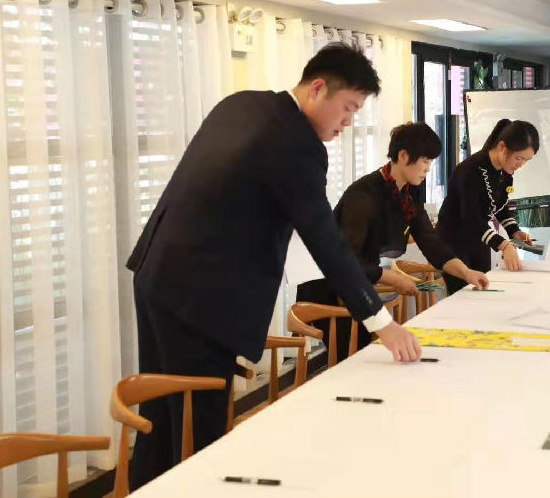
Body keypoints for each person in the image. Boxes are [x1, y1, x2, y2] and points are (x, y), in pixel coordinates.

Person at [125, 43, 421, 490]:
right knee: (201, 428)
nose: (348, 122)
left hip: (158, 273)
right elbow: (325, 240)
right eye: (348, 108)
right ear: (317, 88)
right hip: (200, 297)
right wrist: (381, 322)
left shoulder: (243, 104)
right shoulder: (295, 144)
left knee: (162, 418)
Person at [297, 122, 490, 361]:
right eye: (425, 161)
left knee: (369, 355)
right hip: (331, 284)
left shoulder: (409, 191)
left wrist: (466, 272)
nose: (428, 169)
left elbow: (430, 241)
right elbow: (348, 260)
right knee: (355, 359)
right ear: (404, 156)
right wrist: (393, 278)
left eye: (431, 162)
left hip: (360, 280)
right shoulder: (363, 195)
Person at [436, 119, 539, 294]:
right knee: (463, 297)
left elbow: (500, 206)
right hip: (453, 241)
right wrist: (504, 246)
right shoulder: (469, 171)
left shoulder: (505, 172)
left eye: (526, 160)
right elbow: (471, 218)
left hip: (478, 238)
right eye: (518, 158)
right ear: (502, 147)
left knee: (483, 291)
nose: (520, 165)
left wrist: (515, 231)